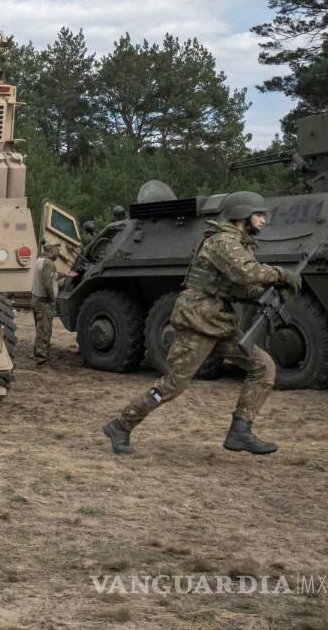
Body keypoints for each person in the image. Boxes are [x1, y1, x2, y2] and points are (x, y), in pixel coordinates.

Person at [102, 191, 301, 456]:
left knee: (263, 366)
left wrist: (267, 293)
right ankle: (121, 425)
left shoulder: (238, 243)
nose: (263, 220)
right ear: (243, 216)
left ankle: (240, 431)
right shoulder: (224, 241)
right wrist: (281, 275)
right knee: (174, 385)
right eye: (259, 214)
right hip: (198, 320)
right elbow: (245, 273)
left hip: (219, 321)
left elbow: (236, 288)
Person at [32, 242, 61, 365]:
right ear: (52, 251)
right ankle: (41, 356)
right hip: (44, 301)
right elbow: (47, 283)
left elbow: (50, 277)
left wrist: (64, 275)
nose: (58, 254)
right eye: (57, 251)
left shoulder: (39, 260)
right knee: (45, 329)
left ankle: (39, 353)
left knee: (40, 329)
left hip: (36, 299)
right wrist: (53, 299)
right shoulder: (49, 263)